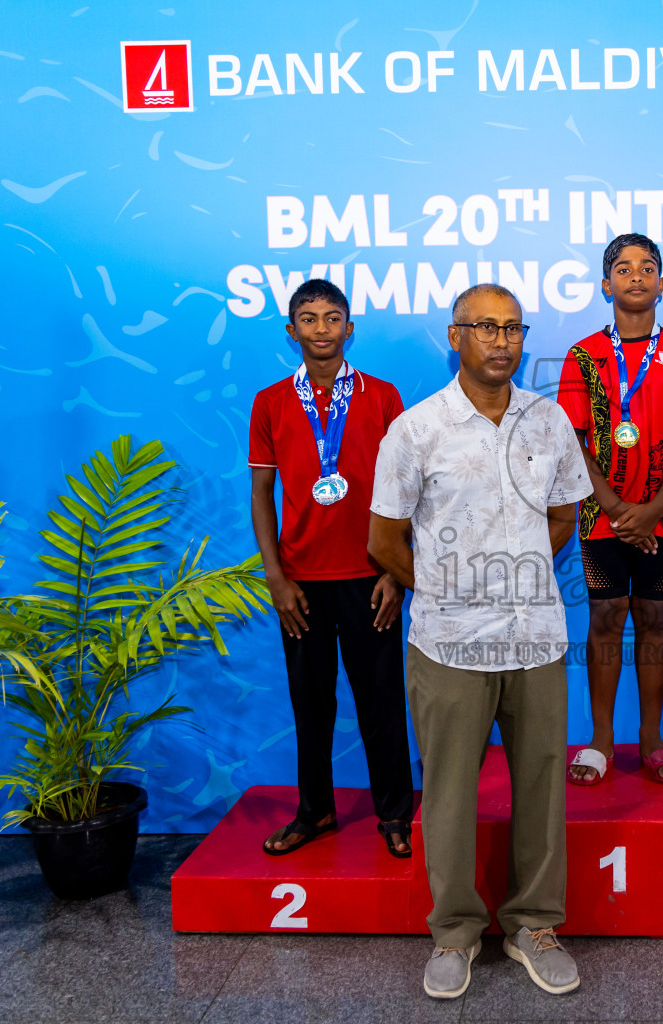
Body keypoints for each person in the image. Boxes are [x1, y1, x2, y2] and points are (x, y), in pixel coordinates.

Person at [368, 284, 593, 1000]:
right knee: (450, 793)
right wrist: (442, 589)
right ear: (455, 336)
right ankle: (455, 934)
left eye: (513, 328)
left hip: (536, 639)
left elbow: (565, 512)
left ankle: (533, 925)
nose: (502, 340)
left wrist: (519, 575)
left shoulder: (549, 419)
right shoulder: (416, 429)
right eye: (485, 328)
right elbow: (383, 537)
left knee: (539, 785)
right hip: (450, 646)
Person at [248, 278, 414, 859]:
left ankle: (396, 812)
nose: (322, 328)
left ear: (350, 328)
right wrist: (276, 577)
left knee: (382, 704)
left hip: (372, 579)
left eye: (332, 317)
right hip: (301, 586)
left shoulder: (384, 396)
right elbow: (261, 493)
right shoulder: (269, 402)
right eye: (309, 318)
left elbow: (407, 491)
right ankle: (314, 812)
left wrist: (396, 571)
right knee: (310, 707)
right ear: (291, 331)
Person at [556, 233, 663, 786]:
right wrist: (622, 510)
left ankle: (651, 739)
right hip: (602, 514)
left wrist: (652, 510)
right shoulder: (581, 357)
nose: (637, 276)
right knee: (604, 618)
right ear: (606, 285)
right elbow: (574, 442)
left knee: (653, 618)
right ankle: (600, 740)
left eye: (648, 268)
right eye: (624, 268)